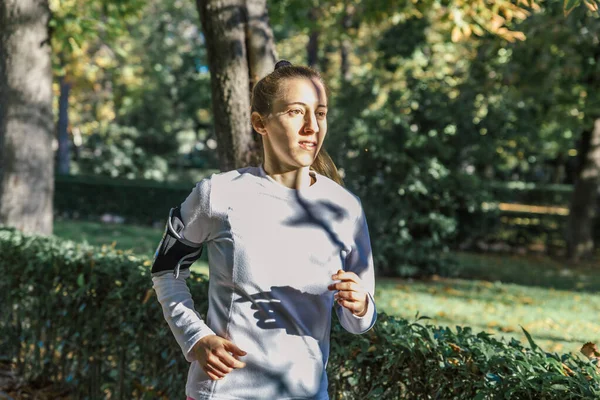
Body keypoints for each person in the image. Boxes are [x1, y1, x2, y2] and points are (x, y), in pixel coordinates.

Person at [151, 60, 377, 400]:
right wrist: (194, 337)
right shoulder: (218, 193)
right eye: (296, 112)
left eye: (321, 113)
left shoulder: (346, 207)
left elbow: (357, 321)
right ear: (261, 123)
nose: (311, 126)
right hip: (224, 392)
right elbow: (166, 269)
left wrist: (360, 305)